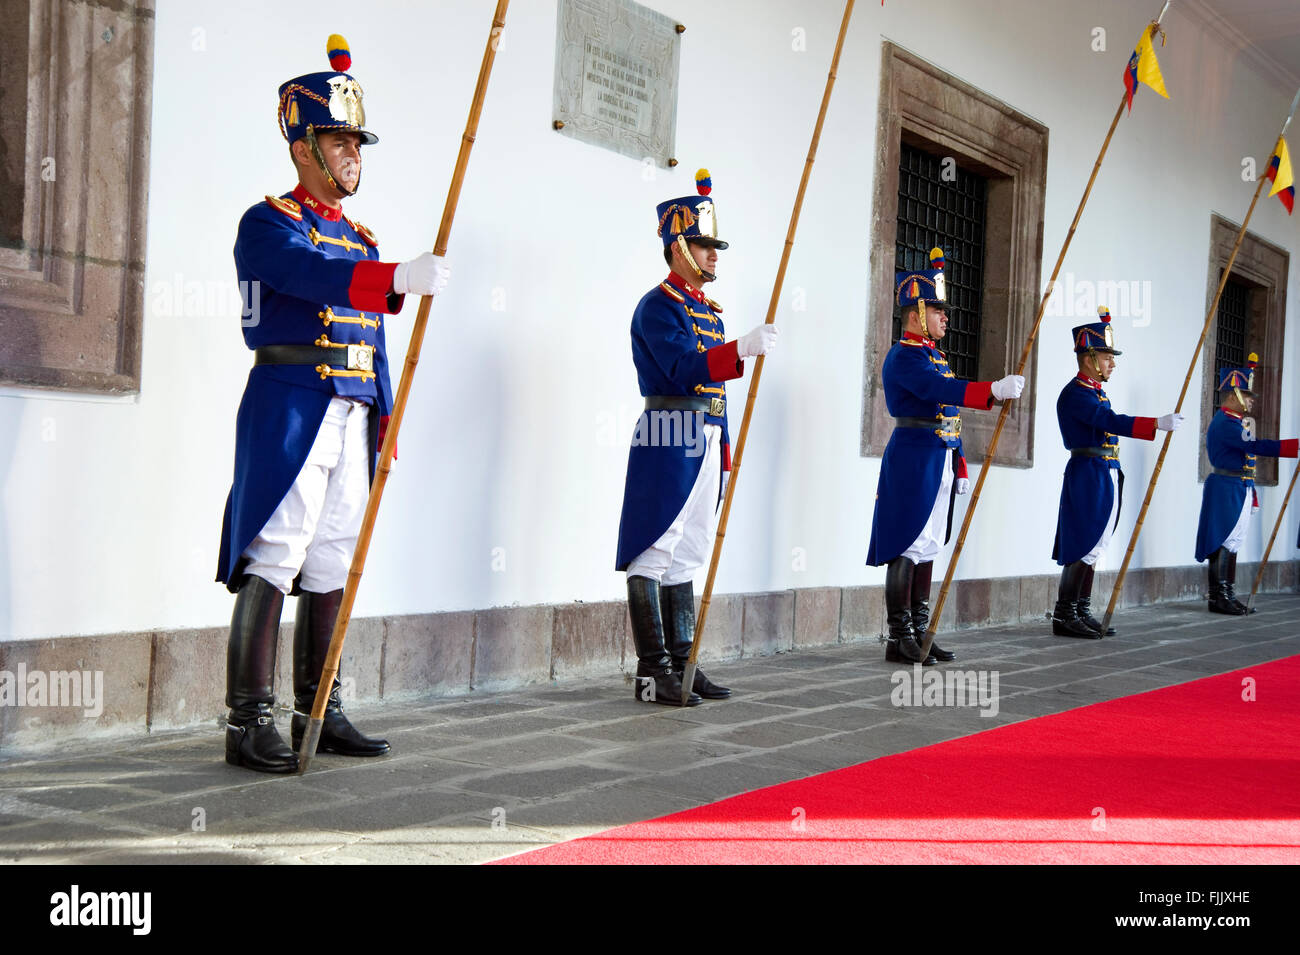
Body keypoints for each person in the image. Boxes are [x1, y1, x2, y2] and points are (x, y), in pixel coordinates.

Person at [216, 36, 450, 773]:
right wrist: (393, 278)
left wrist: (386, 418)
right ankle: (247, 720)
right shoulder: (270, 223)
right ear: (303, 145)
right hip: (293, 401)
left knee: (333, 558)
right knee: (276, 552)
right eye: (340, 138)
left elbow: (373, 341)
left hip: (353, 409)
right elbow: (308, 275)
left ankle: (320, 705)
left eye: (358, 139)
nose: (354, 152)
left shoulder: (362, 237)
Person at [615, 170, 777, 706]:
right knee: (654, 549)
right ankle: (651, 670)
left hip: (706, 434)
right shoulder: (659, 306)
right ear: (677, 245)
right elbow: (684, 368)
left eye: (714, 246)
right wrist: (739, 352)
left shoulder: (705, 309)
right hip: (669, 431)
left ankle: (682, 664)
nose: (713, 254)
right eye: (704, 245)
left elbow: (714, 394)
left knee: (688, 552)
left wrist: (724, 451)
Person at [867, 248, 1025, 665]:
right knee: (907, 544)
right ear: (917, 313)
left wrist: (959, 464)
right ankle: (899, 635)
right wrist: (991, 389)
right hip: (913, 458)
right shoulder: (904, 357)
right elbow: (942, 393)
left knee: (928, 545)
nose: (945, 317)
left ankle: (919, 631)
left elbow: (949, 419)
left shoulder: (935, 356)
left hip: (937, 457)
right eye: (937, 310)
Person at [1052, 307, 1182, 637]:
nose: (1112, 363)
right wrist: (1153, 424)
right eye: (1108, 357)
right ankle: (1065, 614)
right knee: (1083, 544)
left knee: (1095, 545)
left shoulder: (1095, 392)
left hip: (1104, 470)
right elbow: (1108, 421)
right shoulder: (1075, 394)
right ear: (1089, 357)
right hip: (1088, 473)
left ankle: (1080, 610)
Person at [1195, 353, 1297, 614]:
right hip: (1226, 487)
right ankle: (1219, 597)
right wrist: (1294, 446)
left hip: (1237, 486)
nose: (1251, 400)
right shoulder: (1226, 423)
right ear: (1233, 395)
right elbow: (1254, 446)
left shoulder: (1234, 422)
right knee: (1224, 540)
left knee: (1233, 540)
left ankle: (1226, 593)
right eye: (1247, 395)